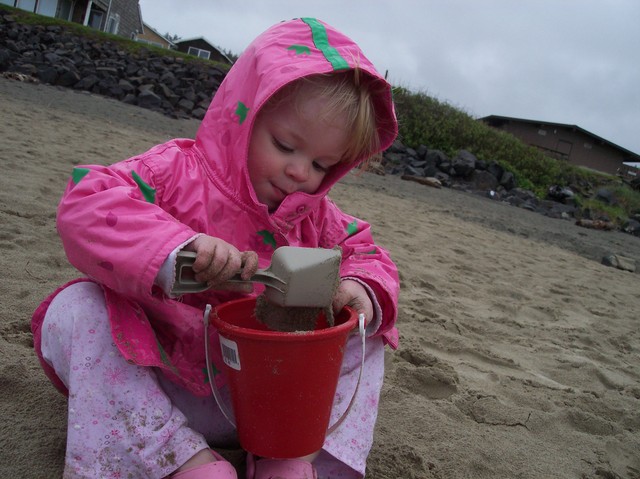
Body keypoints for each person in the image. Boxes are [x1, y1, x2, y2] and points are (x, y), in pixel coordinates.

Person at [31, 17, 399, 479]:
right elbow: (87, 201)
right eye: (285, 145)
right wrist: (177, 247)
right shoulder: (173, 172)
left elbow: (370, 255)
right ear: (243, 117)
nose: (300, 173)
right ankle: (180, 461)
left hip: (258, 398)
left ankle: (293, 460)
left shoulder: (319, 217)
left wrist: (360, 288)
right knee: (76, 307)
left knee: (363, 333)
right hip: (158, 379)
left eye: (323, 164)